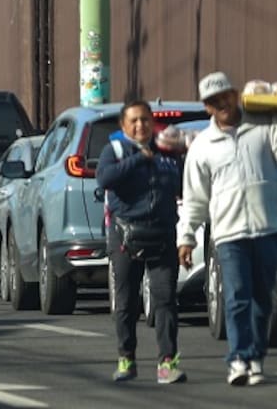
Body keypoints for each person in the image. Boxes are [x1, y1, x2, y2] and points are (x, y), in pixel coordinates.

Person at [178, 71, 277, 387]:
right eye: (213, 101)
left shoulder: (262, 125)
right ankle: (238, 360)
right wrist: (186, 237)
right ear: (206, 107)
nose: (222, 104)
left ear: (235, 95)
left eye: (225, 96)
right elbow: (195, 196)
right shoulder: (203, 146)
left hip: (269, 226)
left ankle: (256, 357)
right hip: (229, 233)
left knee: (261, 298)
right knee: (236, 297)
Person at [96, 100, 186, 385]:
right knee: (126, 302)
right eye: (134, 121)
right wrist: (139, 159)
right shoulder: (115, 151)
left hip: (162, 235)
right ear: (124, 126)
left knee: (165, 300)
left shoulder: (167, 153)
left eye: (145, 120)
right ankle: (126, 358)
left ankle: (167, 362)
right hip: (125, 237)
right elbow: (104, 178)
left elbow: (185, 185)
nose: (140, 126)